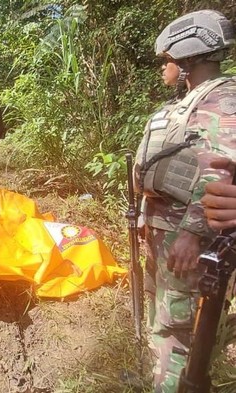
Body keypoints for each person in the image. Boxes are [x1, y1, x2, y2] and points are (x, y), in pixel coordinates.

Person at [133, 10, 235, 392]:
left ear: (188, 57)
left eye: (168, 60)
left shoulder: (222, 102)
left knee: (177, 325)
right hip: (164, 230)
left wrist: (192, 233)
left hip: (185, 238)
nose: (164, 67)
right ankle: (163, 376)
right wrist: (147, 216)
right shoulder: (191, 101)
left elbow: (217, 172)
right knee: (164, 318)